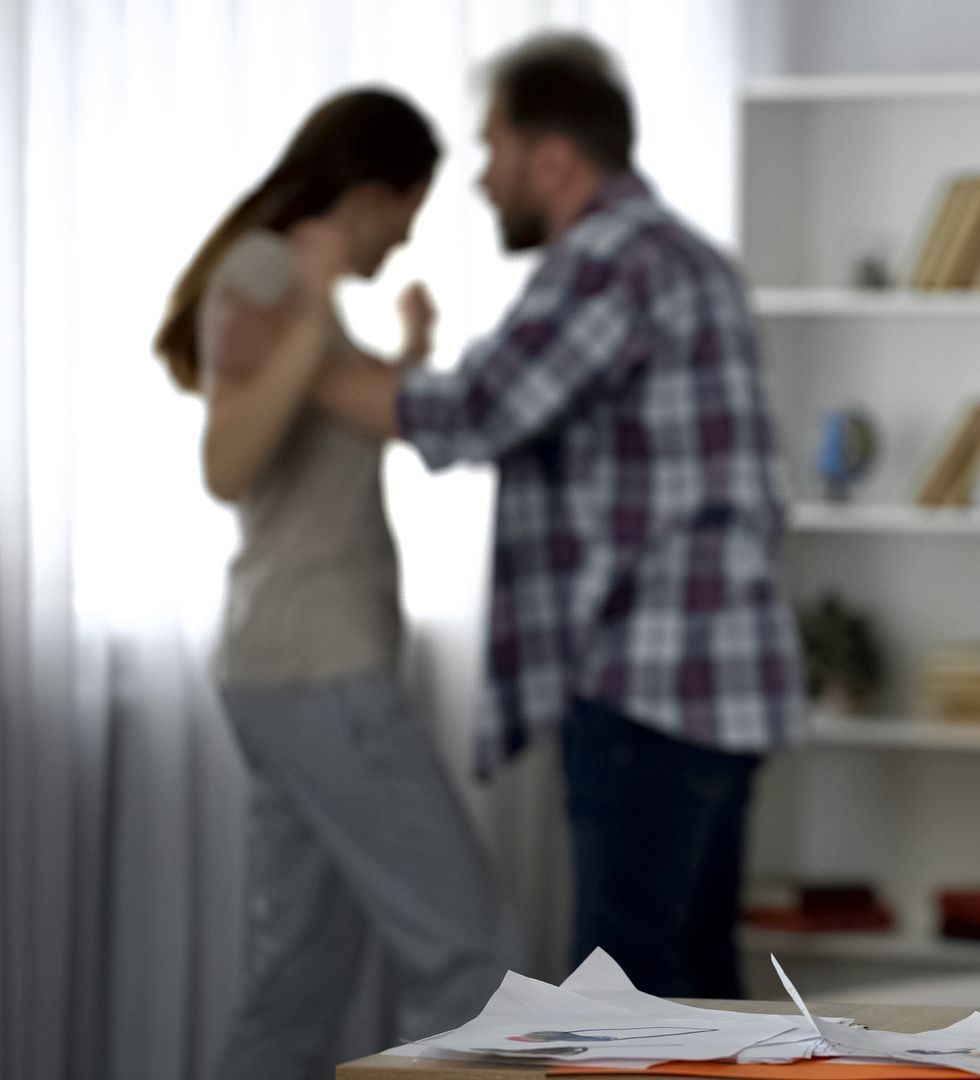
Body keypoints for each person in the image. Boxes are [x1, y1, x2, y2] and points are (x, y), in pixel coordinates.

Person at [311, 34, 804, 998]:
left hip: (650, 686)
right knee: (702, 1001)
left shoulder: (608, 260)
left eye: (492, 150)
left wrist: (296, 365)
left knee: (624, 1011)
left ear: (552, 156)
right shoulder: (692, 257)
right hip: (723, 685)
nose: (482, 181)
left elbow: (472, 412)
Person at [153, 88, 516, 1079]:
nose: (406, 236)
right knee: (471, 957)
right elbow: (229, 464)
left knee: (302, 979)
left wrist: (403, 356)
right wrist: (320, 317)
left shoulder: (295, 286)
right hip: (322, 670)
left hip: (280, 665)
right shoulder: (273, 272)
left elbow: (322, 437)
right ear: (369, 193)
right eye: (409, 208)